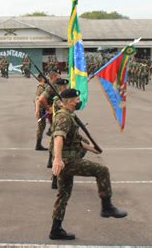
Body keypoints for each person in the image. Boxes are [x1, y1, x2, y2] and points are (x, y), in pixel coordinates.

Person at [49, 88, 127, 240]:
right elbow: (59, 137)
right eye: (77, 99)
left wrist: (92, 149)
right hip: (68, 161)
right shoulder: (64, 117)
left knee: (63, 195)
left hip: (66, 161)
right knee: (102, 170)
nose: (79, 101)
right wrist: (57, 159)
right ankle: (107, 207)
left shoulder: (68, 115)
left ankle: (55, 230)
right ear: (70, 101)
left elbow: (76, 139)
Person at [37, 69, 62, 150]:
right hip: (44, 108)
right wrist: (48, 108)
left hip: (50, 108)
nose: (59, 76)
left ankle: (49, 134)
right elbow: (40, 99)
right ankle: (38, 144)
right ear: (54, 76)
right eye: (58, 75)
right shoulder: (50, 86)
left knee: (52, 126)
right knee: (42, 126)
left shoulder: (54, 85)